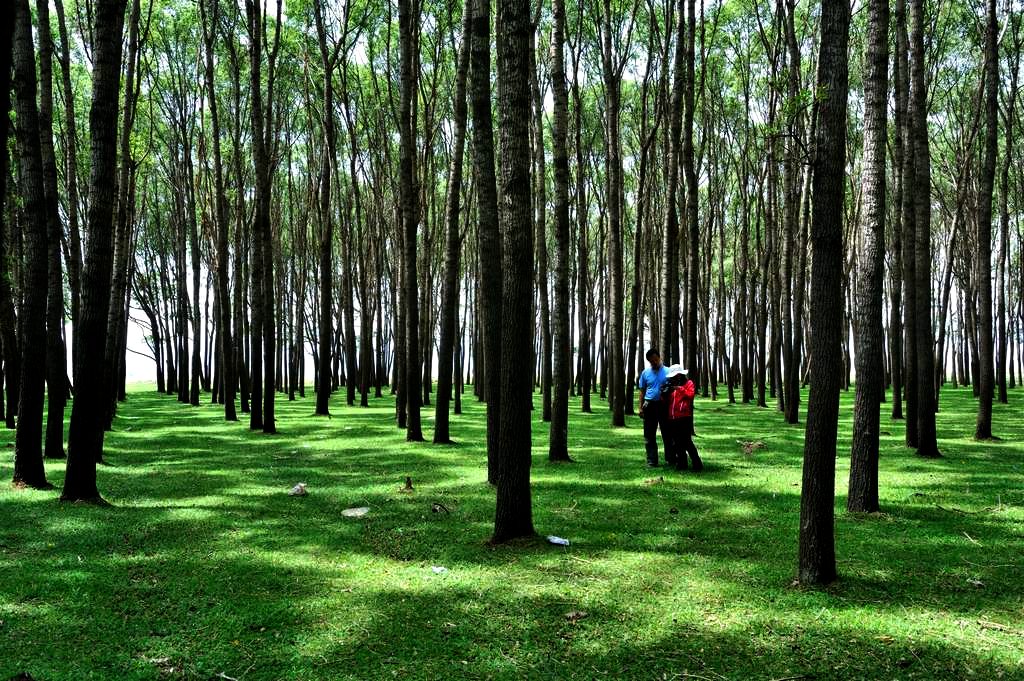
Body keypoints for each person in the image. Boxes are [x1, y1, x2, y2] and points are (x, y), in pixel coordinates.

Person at [663, 365, 703, 471]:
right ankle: (682, 464)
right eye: (673, 376)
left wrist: (679, 388)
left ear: (680, 374)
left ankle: (697, 464)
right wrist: (665, 392)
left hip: (684, 417)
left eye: (676, 375)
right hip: (672, 418)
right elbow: (667, 401)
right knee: (677, 443)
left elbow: (690, 395)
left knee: (687, 442)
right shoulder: (670, 385)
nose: (675, 377)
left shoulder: (688, 383)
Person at [638, 348, 672, 467]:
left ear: (659, 358)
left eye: (656, 360)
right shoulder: (645, 373)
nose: (654, 363)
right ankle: (652, 460)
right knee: (649, 434)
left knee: (667, 433)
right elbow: (642, 391)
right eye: (652, 361)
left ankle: (671, 458)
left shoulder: (669, 371)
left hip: (664, 405)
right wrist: (640, 408)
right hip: (649, 405)